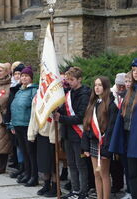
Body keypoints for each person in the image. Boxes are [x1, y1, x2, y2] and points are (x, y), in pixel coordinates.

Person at [109, 58, 137, 199]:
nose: (135, 73)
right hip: (128, 137)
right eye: (133, 70)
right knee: (132, 174)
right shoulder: (132, 90)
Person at [55, 67, 90, 199]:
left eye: (72, 79)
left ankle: (83, 191)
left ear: (79, 79)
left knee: (80, 164)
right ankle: (75, 190)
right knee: (71, 163)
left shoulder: (84, 94)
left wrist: (61, 118)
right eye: (68, 79)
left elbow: (81, 116)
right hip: (68, 134)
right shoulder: (68, 93)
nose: (69, 82)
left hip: (79, 134)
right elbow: (65, 110)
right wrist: (58, 110)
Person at [81, 76, 118, 199]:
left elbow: (111, 128)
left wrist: (107, 148)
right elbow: (86, 126)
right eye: (95, 85)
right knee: (96, 173)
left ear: (106, 87)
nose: (97, 87)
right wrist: (85, 146)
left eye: (100, 85)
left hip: (104, 143)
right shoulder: (92, 104)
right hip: (93, 142)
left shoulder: (111, 105)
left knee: (104, 173)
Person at [10, 66, 38, 186]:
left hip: (28, 125)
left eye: (26, 76)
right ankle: (27, 173)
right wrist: (11, 124)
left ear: (31, 78)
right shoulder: (19, 91)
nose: (24, 78)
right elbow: (14, 107)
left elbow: (35, 109)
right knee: (24, 151)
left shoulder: (34, 90)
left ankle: (34, 176)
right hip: (18, 125)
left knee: (31, 152)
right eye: (22, 76)